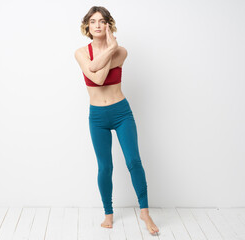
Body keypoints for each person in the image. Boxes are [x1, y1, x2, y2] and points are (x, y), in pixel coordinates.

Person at [74, 6, 159, 235]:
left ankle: (145, 212)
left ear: (109, 25)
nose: (98, 25)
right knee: (105, 167)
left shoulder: (121, 52)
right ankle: (108, 214)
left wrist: (112, 49)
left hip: (122, 113)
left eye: (102, 21)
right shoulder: (81, 53)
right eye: (93, 22)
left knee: (133, 161)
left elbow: (96, 71)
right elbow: (98, 76)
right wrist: (109, 48)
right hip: (97, 117)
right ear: (87, 26)